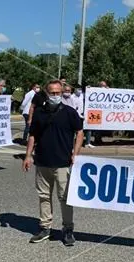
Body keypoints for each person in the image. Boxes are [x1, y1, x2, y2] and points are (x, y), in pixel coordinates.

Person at [23, 79, 84, 246]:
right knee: (43, 196)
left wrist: (75, 153)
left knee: (65, 198)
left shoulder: (70, 112)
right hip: (42, 161)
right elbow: (33, 135)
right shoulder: (40, 113)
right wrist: (28, 155)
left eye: (58, 93)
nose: (56, 95)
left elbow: (79, 132)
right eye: (52, 93)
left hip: (63, 162)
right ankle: (45, 227)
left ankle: (68, 228)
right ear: (46, 93)